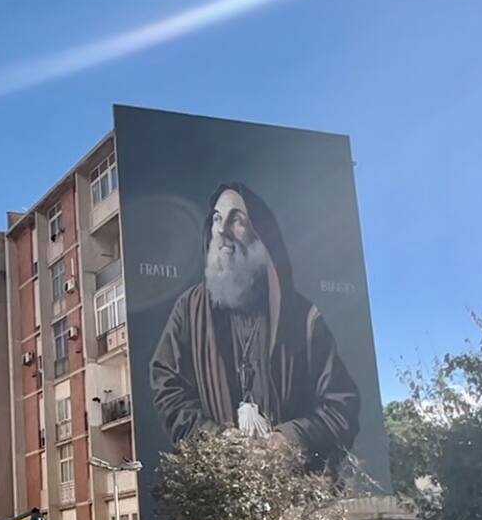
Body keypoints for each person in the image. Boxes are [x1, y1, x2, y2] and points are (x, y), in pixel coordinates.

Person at [148, 182, 361, 474]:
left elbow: (341, 407)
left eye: (237, 219)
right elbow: (166, 385)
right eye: (217, 219)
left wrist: (290, 439)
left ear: (260, 235)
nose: (222, 233)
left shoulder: (303, 318)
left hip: (294, 493)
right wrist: (217, 441)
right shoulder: (189, 310)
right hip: (221, 491)